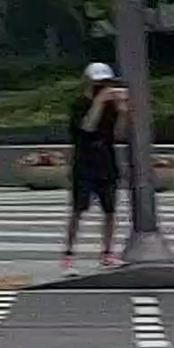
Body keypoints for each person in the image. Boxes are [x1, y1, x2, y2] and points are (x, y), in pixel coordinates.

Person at [62, 62, 127, 269]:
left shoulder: (112, 107)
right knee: (78, 210)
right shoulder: (79, 105)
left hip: (106, 163)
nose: (103, 87)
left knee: (110, 210)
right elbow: (87, 127)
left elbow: (119, 134)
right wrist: (98, 103)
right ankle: (69, 250)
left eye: (106, 83)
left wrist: (122, 110)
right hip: (84, 163)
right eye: (99, 83)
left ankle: (108, 250)